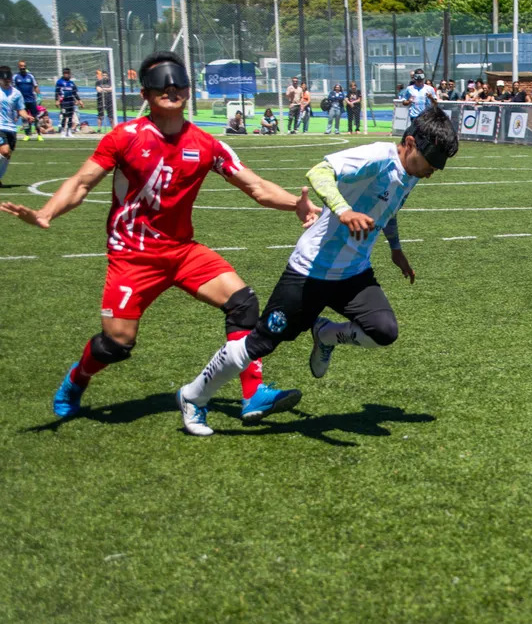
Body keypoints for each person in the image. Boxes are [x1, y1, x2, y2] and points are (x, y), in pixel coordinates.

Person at [0, 52, 320, 422]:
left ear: (188, 89)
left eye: (178, 81)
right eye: (160, 83)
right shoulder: (125, 137)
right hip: (132, 256)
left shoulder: (206, 144)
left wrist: (296, 204)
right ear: (145, 93)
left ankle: (253, 394)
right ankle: (78, 378)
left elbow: (257, 187)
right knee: (116, 344)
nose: (171, 88)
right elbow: (82, 182)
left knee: (242, 302)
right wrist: (46, 212)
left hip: (182, 252)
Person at [175, 107, 459, 436]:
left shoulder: (410, 173)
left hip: (353, 273)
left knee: (384, 331)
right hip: (311, 271)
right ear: (409, 143)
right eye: (429, 163)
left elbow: (389, 209)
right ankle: (193, 395)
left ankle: (325, 334)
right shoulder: (378, 156)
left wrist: (396, 249)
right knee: (261, 342)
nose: (430, 172)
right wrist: (343, 210)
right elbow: (320, 172)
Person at [0, 66, 34, 188]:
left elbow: (20, 109)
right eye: (4, 80)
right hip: (0, 126)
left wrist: (27, 116)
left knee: (7, 155)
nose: (6, 82)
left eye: (8, 80)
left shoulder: (16, 93)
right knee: (4, 150)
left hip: (11, 127)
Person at [13, 61, 41, 141]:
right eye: (21, 66)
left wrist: (39, 96)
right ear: (19, 67)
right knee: (24, 118)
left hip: (31, 100)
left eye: (24, 66)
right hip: (22, 101)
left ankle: (39, 134)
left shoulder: (30, 76)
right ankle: (27, 134)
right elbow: (13, 88)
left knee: (36, 117)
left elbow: (35, 86)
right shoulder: (15, 77)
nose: (23, 67)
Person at [55, 67, 82, 138]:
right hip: (64, 102)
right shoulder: (60, 82)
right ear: (63, 74)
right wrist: (57, 100)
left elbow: (75, 93)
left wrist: (79, 100)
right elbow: (57, 92)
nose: (66, 75)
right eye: (65, 73)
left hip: (71, 102)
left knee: (70, 117)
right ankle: (63, 131)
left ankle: (69, 131)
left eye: (68, 73)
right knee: (64, 116)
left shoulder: (71, 83)